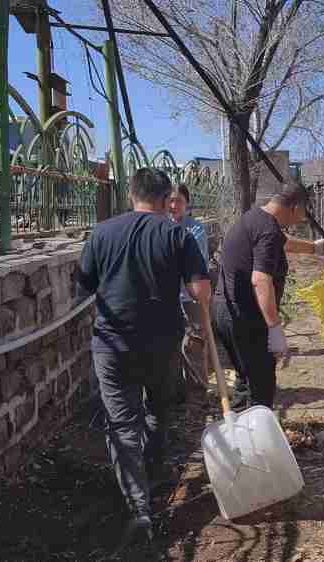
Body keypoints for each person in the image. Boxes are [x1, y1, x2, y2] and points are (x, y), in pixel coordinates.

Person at [76, 168, 210, 539]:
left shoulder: (102, 232)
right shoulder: (178, 234)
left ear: (130, 195)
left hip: (112, 345)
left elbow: (83, 286)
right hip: (162, 344)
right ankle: (154, 469)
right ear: (167, 198)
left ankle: (139, 507)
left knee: (122, 424)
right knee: (158, 408)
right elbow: (200, 290)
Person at [213, 183, 324, 411]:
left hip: (225, 311)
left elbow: (284, 242)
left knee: (246, 379)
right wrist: (275, 328)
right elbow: (260, 280)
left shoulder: (255, 218)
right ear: (295, 207)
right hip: (244, 318)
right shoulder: (268, 230)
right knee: (261, 387)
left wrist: (315, 248)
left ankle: (239, 427)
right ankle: (256, 431)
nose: (302, 218)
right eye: (304, 212)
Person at [165, 182, 210, 400]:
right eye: (171, 200)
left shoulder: (195, 229)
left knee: (194, 345)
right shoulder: (161, 227)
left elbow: (194, 265)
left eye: (179, 201)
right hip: (167, 299)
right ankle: (177, 395)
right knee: (172, 347)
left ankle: (198, 395)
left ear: (187, 204)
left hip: (191, 296)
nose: (174, 205)